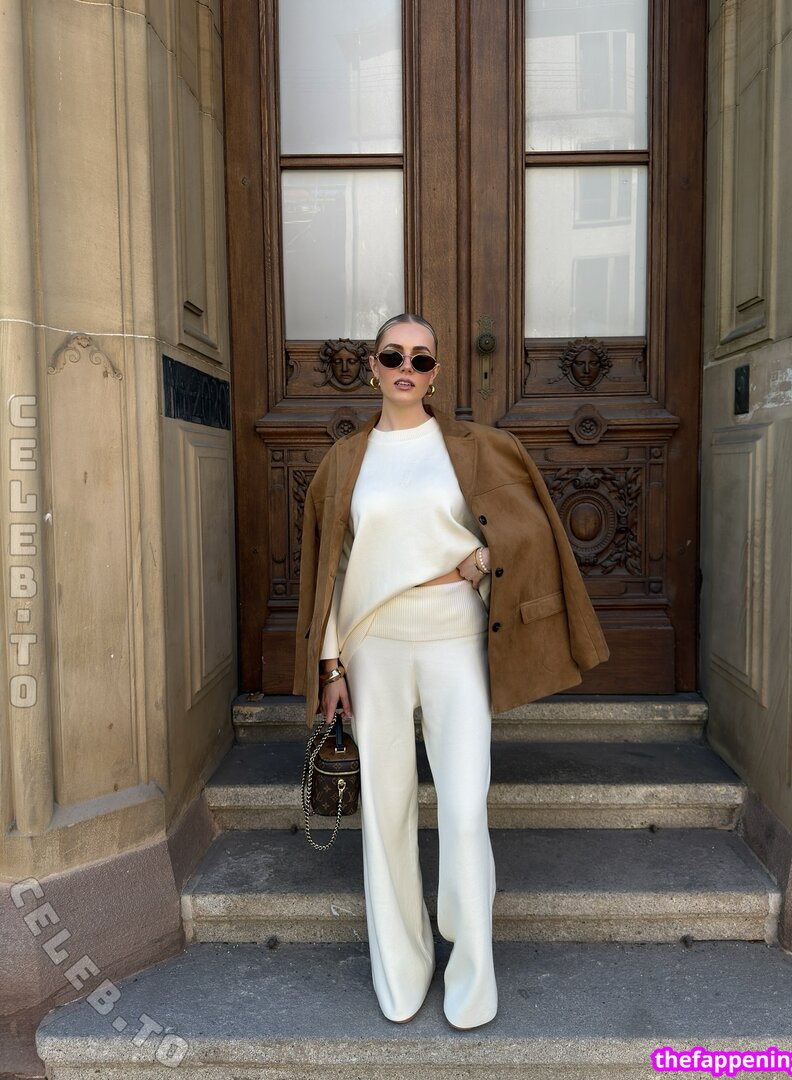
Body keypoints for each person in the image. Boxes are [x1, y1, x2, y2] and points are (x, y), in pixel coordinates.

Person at [293, 313, 610, 1031]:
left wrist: (483, 561)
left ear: (436, 372)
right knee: (387, 812)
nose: (406, 368)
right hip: (373, 645)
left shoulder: (477, 447)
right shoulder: (343, 461)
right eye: (392, 355)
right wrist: (330, 665)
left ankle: (471, 976)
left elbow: (531, 528)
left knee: (464, 812)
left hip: (456, 640)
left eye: (421, 358)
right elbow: (330, 571)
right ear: (373, 367)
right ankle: (401, 971)